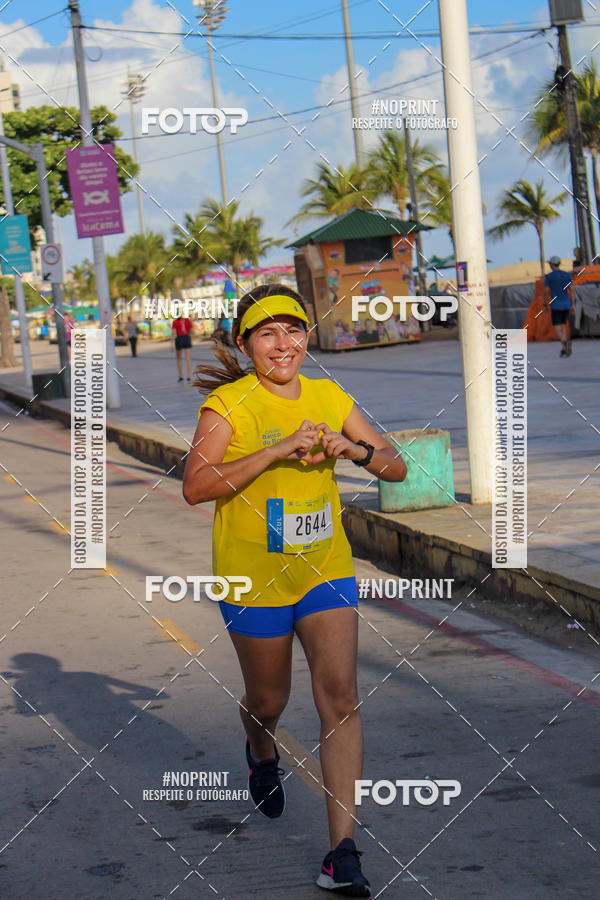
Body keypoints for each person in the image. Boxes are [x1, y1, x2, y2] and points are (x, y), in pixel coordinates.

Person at [183, 284, 407, 897]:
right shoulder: (230, 405)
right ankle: (260, 746)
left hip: (324, 566)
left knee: (340, 694)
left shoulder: (330, 395)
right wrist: (276, 450)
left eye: (294, 330)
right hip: (253, 574)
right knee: (269, 699)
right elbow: (196, 486)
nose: (284, 344)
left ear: (308, 336)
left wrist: (355, 448)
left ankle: (343, 852)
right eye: (267, 333)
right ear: (245, 342)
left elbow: (399, 466)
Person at [544, 255, 575, 357]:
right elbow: (571, 290)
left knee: (557, 328)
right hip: (566, 304)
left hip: (556, 305)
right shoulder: (567, 275)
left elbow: (546, 292)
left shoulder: (549, 277)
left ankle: (565, 341)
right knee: (563, 326)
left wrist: (545, 304)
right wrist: (573, 304)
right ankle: (564, 349)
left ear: (552, 264)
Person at [171, 312, 194, 381]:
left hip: (179, 338)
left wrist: (171, 344)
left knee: (179, 359)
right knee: (188, 358)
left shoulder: (175, 322)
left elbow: (173, 333)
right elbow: (191, 331)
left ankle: (181, 376)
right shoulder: (187, 320)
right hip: (186, 338)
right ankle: (189, 376)